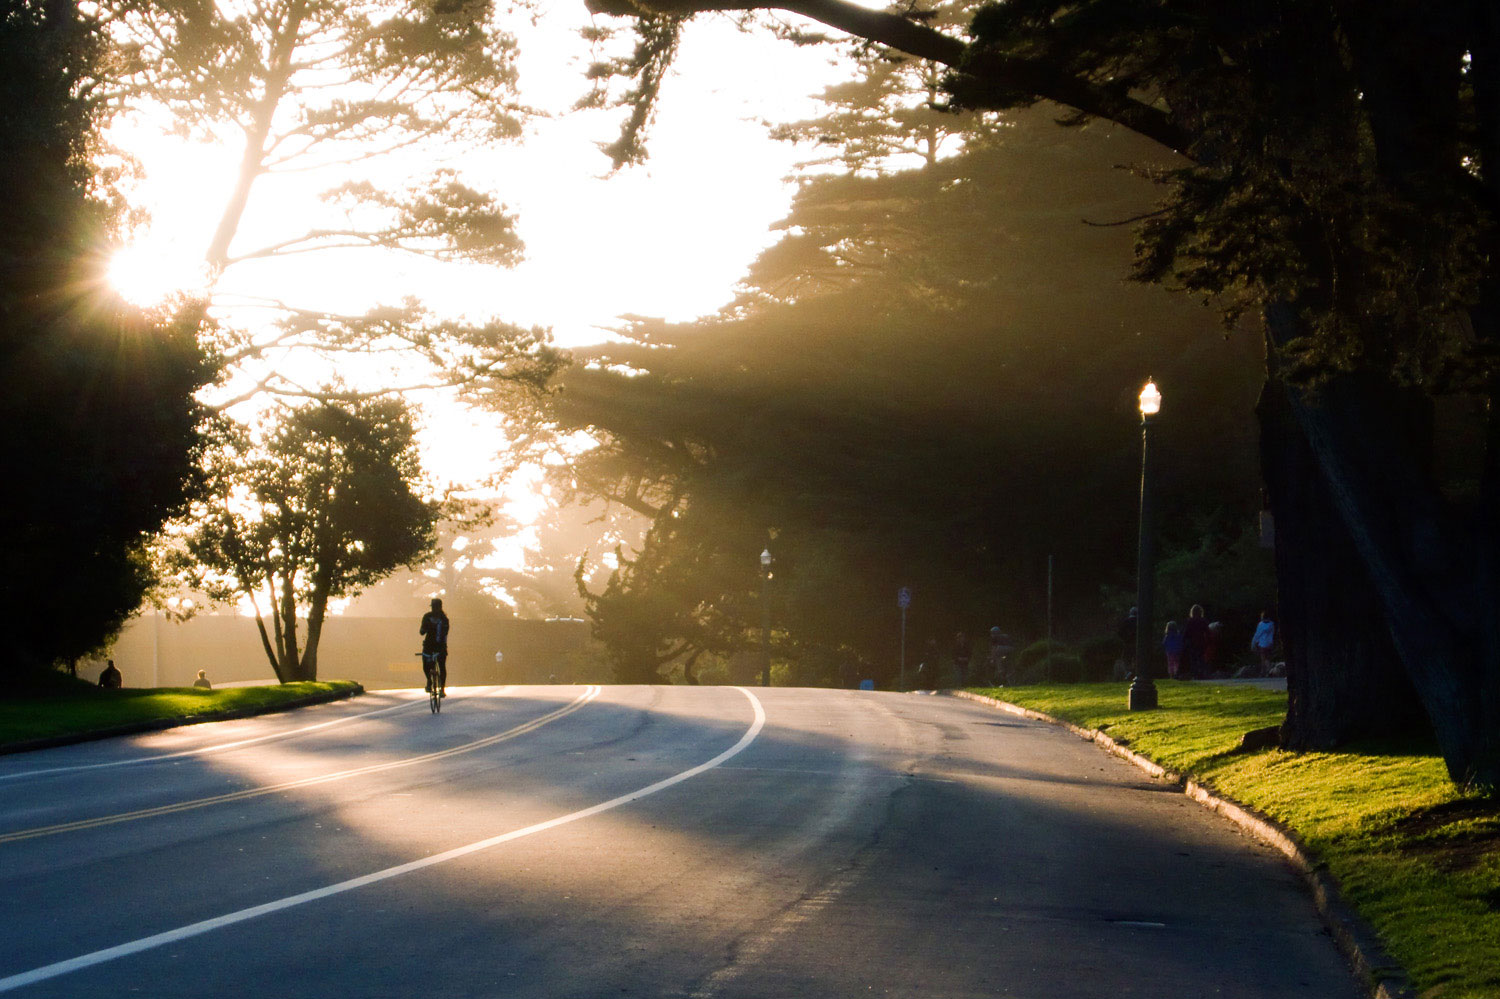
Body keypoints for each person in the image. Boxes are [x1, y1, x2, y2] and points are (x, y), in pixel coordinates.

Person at [419, 598, 450, 697]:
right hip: (428, 645)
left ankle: (442, 688)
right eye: (433, 607)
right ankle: (429, 680)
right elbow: (421, 632)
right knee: (426, 665)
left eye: (436, 607)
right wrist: (426, 627)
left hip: (440, 645)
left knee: (441, 666)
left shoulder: (444, 619)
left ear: (440, 607)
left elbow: (445, 633)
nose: (434, 609)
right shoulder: (427, 617)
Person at [1183, 604, 1210, 678]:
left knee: (1193, 659)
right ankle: (1202, 673)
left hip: (1192, 642)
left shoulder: (1190, 621)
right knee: (1201, 658)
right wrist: (1208, 641)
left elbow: (1186, 633)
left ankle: (1195, 674)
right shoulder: (1203, 621)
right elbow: (1207, 632)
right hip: (1201, 641)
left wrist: (1184, 641)